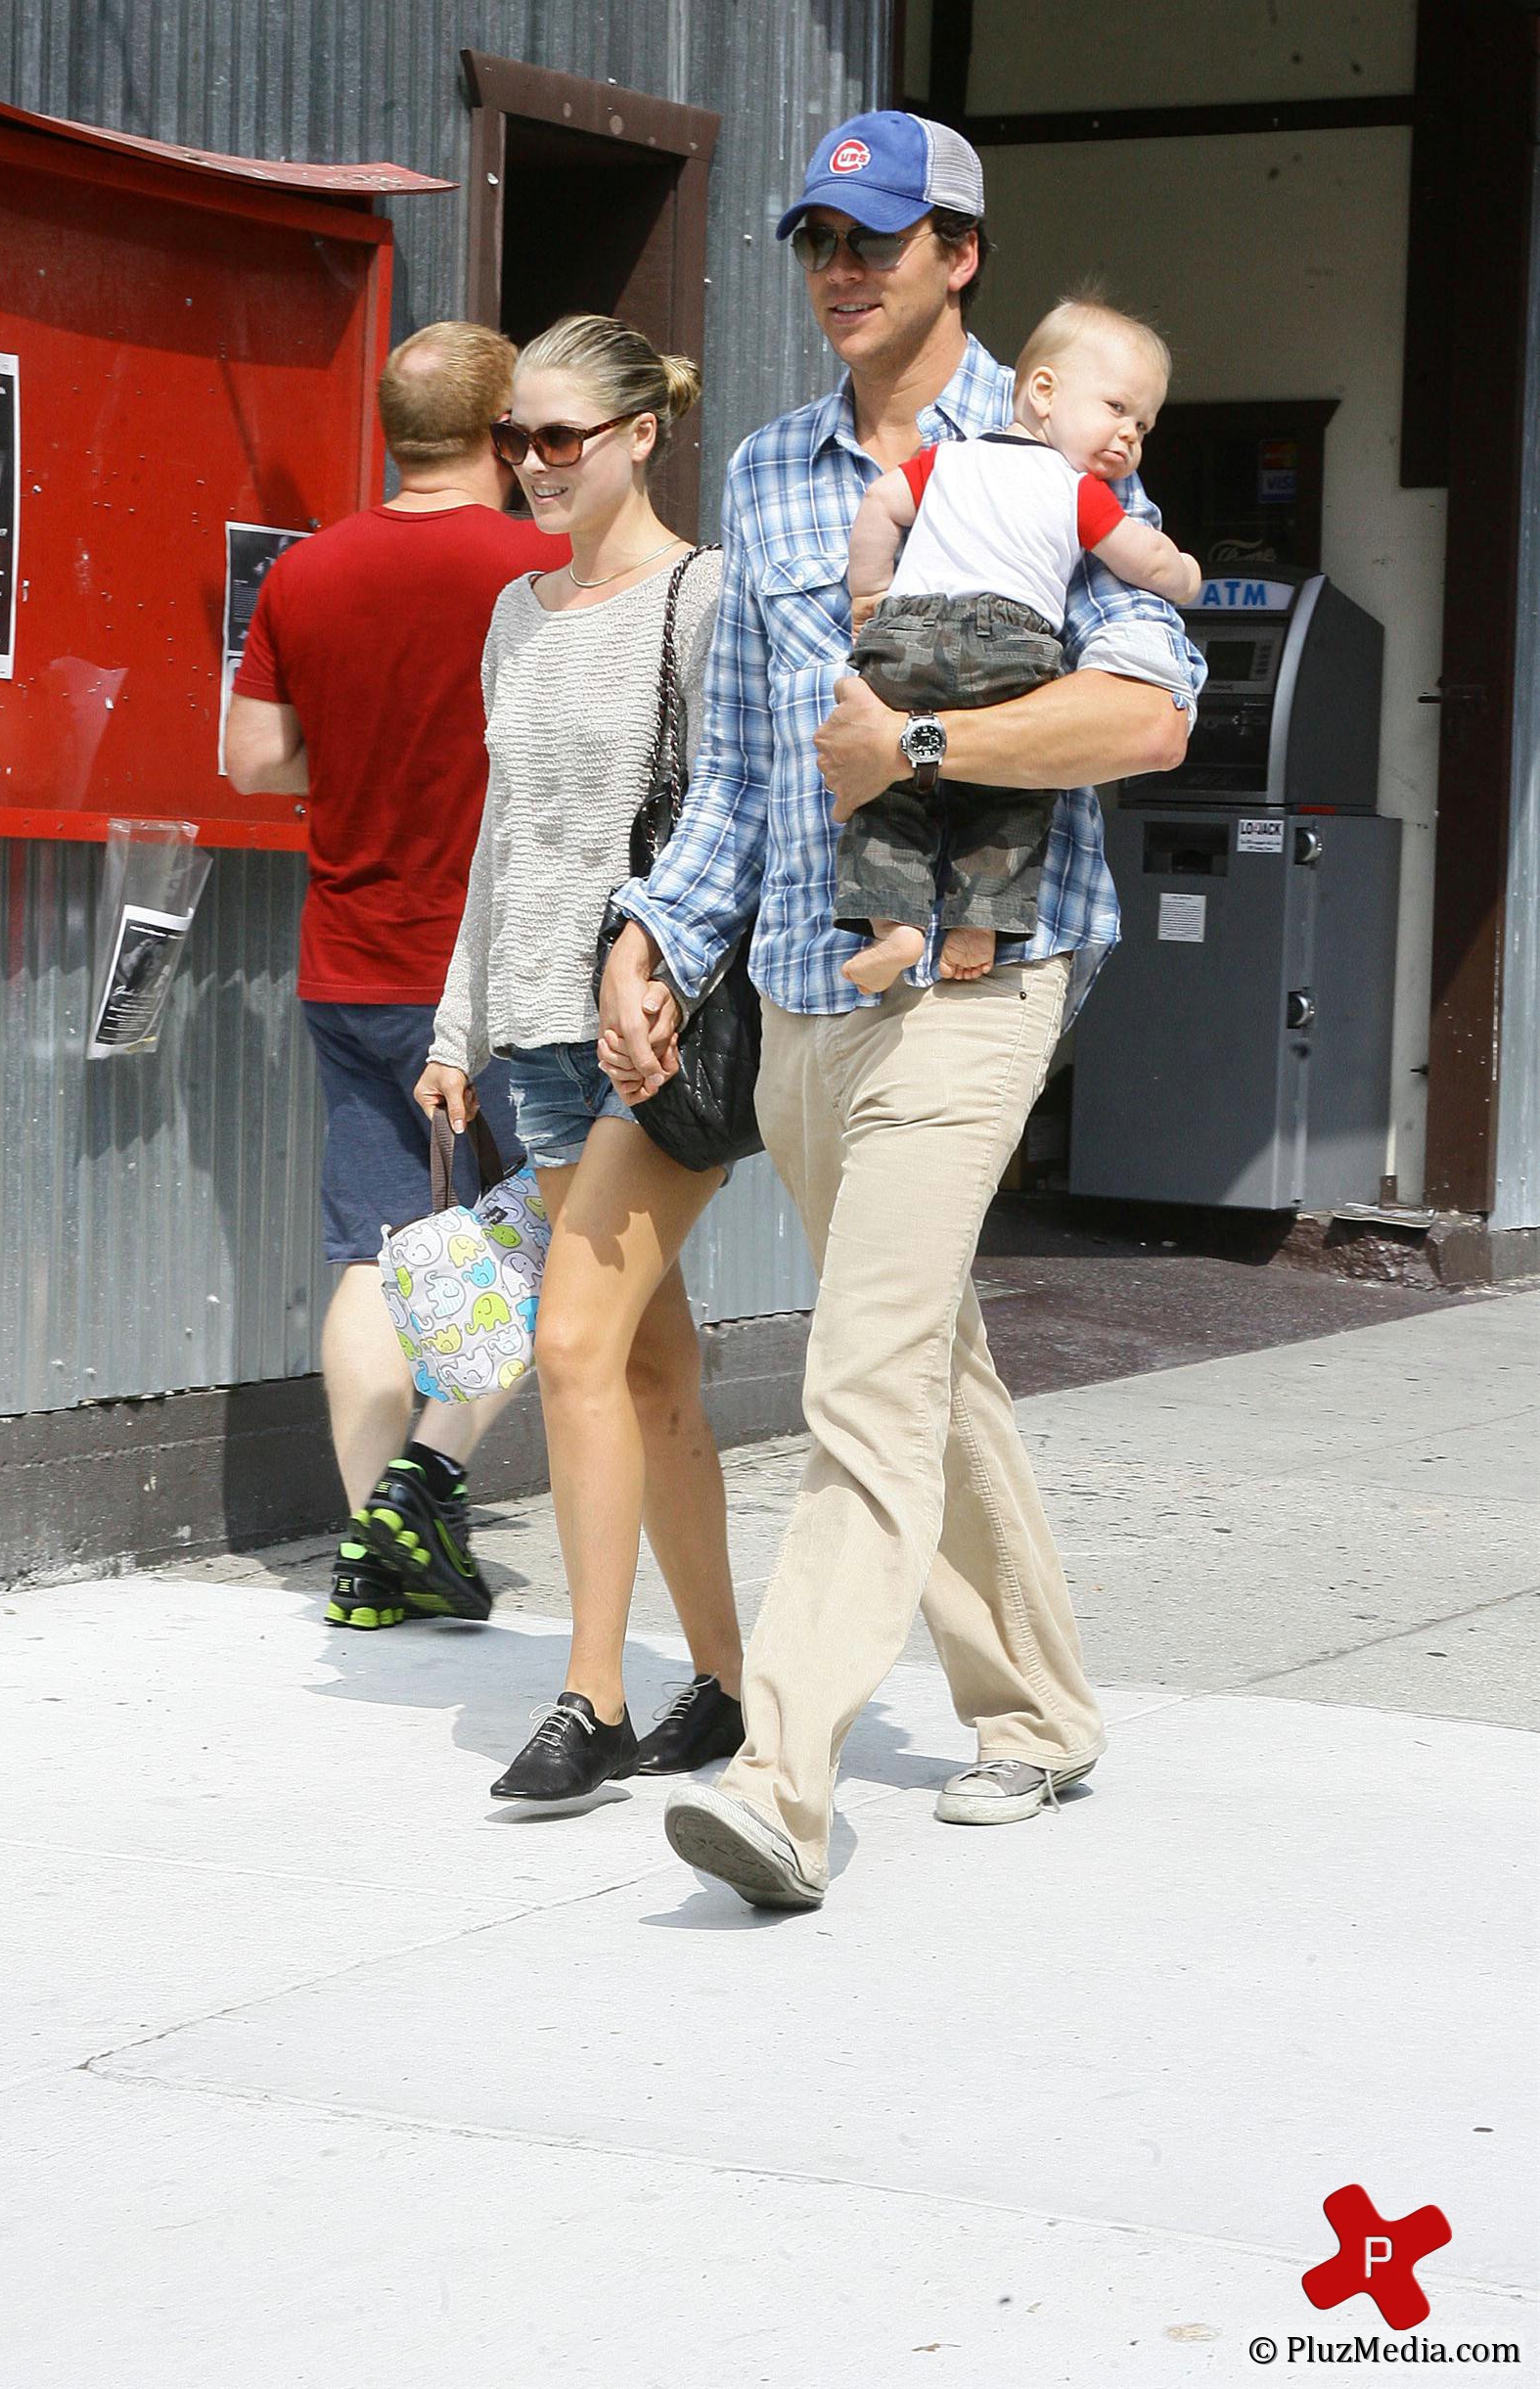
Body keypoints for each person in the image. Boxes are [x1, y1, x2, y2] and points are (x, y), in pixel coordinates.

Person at [598, 110, 1204, 1909]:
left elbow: (1147, 715)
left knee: (855, 1370)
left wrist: (924, 740)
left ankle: (782, 1781)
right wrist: (651, 938)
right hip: (798, 985)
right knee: (925, 1360)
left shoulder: (1043, 448)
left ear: (959, 256)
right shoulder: (779, 472)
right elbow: (738, 769)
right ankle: (1036, 1712)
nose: (838, 269)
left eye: (876, 237)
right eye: (814, 241)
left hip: (973, 980)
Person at [417, 313, 746, 1809]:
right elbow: (499, 835)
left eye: (558, 437)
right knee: (653, 1364)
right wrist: (453, 1023)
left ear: (636, 433)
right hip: (538, 1038)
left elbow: (728, 820)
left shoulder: (703, 597)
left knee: (566, 1350)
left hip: (645, 1042)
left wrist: (665, 972)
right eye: (514, 441)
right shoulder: (515, 612)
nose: (533, 465)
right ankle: (728, 1684)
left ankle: (592, 1693)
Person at [226, 321, 567, 1631]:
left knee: (377, 1253)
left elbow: (252, 758)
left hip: (350, 963)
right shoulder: (544, 568)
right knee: (518, 1246)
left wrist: (360, 764)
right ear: (501, 430)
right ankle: (424, 1497)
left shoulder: (308, 573)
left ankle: (369, 1544)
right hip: (496, 978)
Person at [838, 296, 1202, 993]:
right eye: (1118, 409)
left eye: (1145, 426)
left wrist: (868, 589)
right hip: (1010, 644)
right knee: (1009, 788)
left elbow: (880, 504)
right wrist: (1186, 574)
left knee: (885, 791)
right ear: (1043, 391)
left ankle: (895, 925)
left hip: (906, 633)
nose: (1130, 437)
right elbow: (1145, 561)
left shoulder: (942, 461)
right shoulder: (1080, 493)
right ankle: (978, 919)